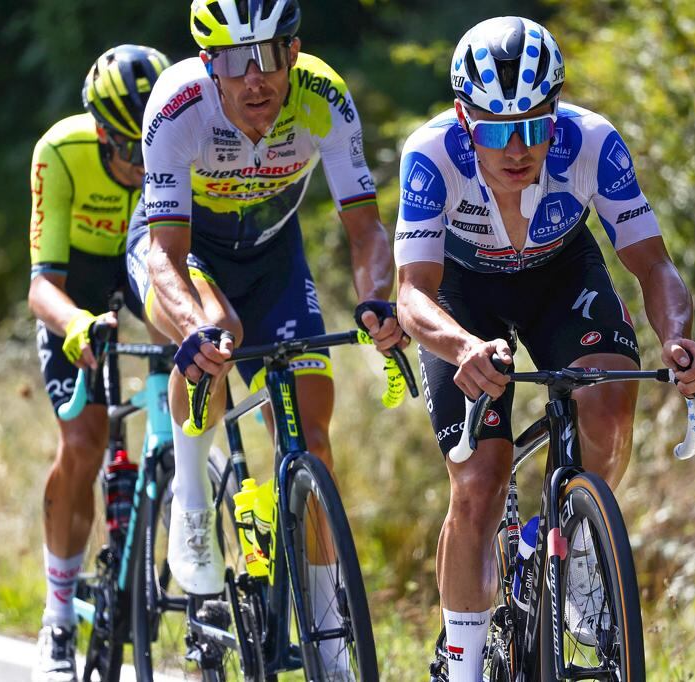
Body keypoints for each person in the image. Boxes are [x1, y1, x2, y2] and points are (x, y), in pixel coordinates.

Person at [393, 15, 695, 680]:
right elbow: (411, 295)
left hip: (559, 275)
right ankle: (464, 659)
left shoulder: (592, 141)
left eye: (536, 125)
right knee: (480, 482)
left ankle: (579, 559)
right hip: (463, 293)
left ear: (557, 110)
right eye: (495, 131)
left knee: (609, 402)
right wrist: (461, 347)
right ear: (463, 118)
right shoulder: (430, 155)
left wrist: (680, 339)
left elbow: (654, 267)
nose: (518, 149)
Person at [125, 0, 403, 674]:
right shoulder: (177, 106)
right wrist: (193, 328)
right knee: (220, 334)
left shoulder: (324, 98)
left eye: (271, 57)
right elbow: (165, 252)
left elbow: (366, 229)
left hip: (276, 259)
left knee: (311, 435)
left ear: (296, 52)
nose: (256, 79)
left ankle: (327, 632)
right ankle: (192, 504)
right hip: (183, 254)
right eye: (233, 61)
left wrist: (375, 299)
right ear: (207, 65)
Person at [27, 44, 170, 682]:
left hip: (144, 265)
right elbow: (40, 286)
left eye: (153, 148)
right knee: (84, 443)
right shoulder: (60, 151)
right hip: (76, 288)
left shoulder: (177, 139)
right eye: (131, 150)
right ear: (103, 133)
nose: (144, 165)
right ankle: (58, 619)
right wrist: (78, 324)